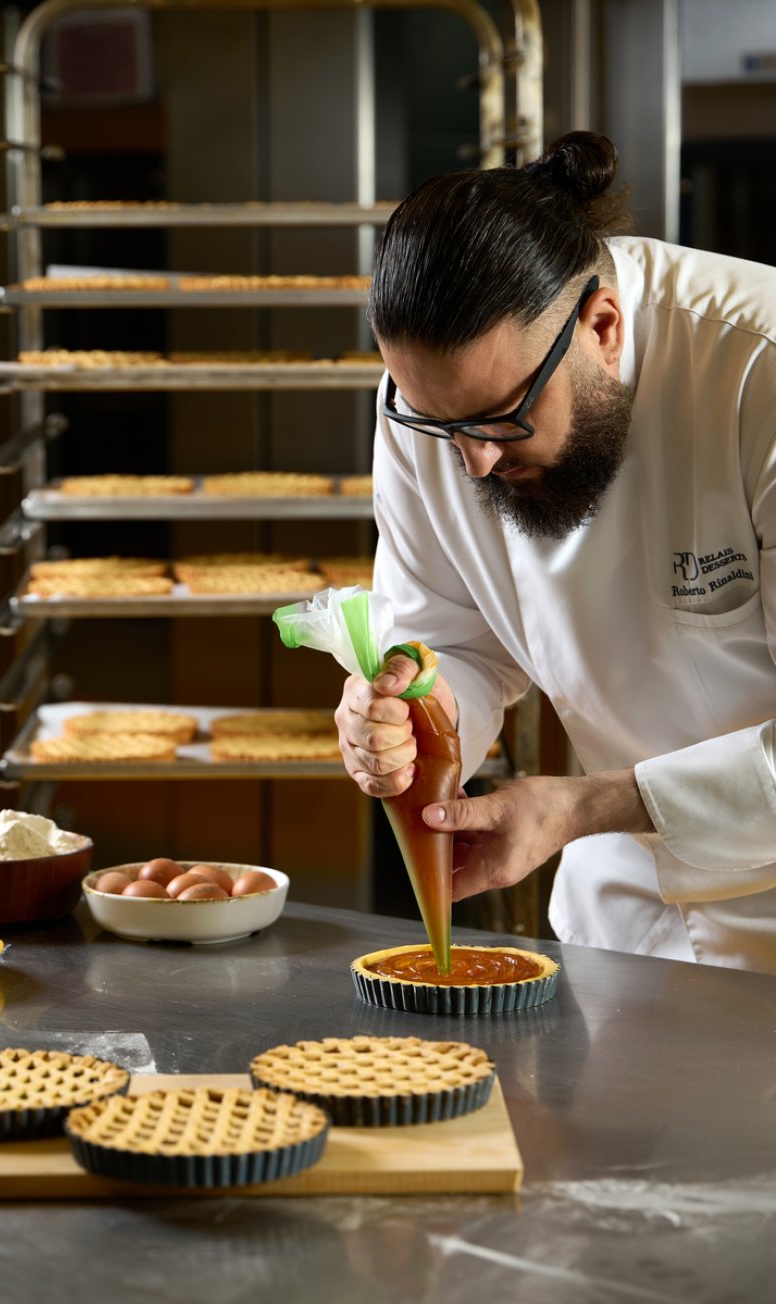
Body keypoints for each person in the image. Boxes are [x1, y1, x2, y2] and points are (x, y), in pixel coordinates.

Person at [334, 130, 776, 975]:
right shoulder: (435, 404)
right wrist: (408, 714)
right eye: (440, 426)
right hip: (624, 910)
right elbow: (455, 643)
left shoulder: (759, 367)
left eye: (501, 420)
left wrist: (579, 809)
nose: (473, 463)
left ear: (602, 327)